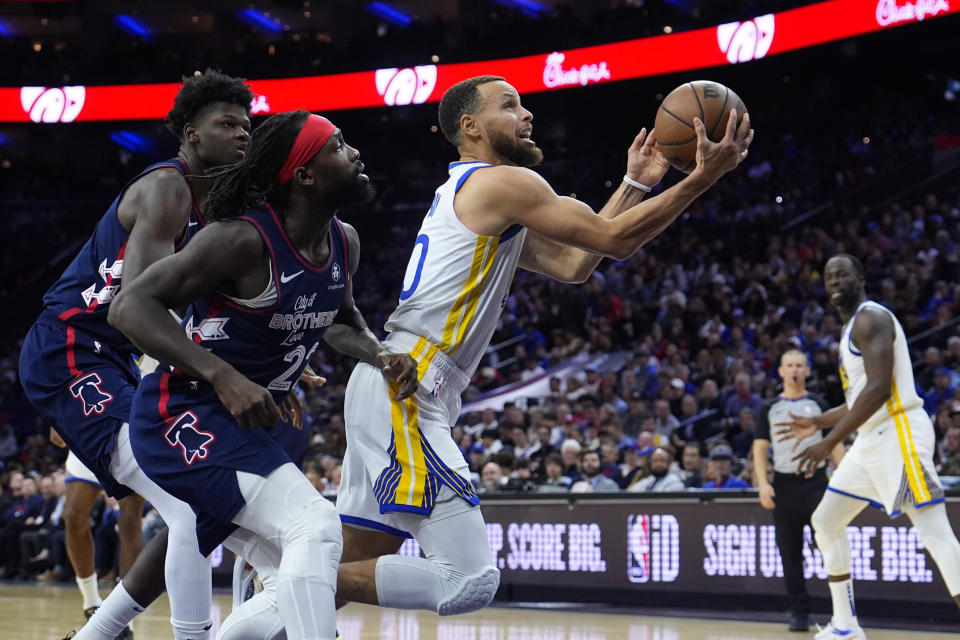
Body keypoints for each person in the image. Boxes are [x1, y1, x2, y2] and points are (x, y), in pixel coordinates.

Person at [333, 74, 752, 618]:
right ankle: (288, 569)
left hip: (392, 381)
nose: (527, 113)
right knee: (468, 580)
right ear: (471, 126)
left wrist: (634, 183)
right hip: (409, 385)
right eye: (510, 105)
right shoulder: (503, 182)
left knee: (355, 565)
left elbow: (574, 265)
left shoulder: (474, 194)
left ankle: (270, 600)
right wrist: (703, 176)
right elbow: (615, 241)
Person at [106, 110, 417, 640]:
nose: (357, 153)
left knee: (295, 575)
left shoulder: (345, 242)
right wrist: (224, 376)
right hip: (183, 413)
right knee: (315, 528)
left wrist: (377, 351)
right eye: (340, 146)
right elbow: (128, 307)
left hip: (254, 425)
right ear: (304, 176)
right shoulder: (239, 240)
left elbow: (339, 319)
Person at [18, 69, 254, 640]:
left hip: (117, 362)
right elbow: (139, 305)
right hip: (73, 350)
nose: (243, 133)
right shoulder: (166, 188)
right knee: (190, 503)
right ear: (190, 134)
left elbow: (199, 308)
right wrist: (223, 372)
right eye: (227, 123)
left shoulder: (216, 209)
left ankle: (104, 631)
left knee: (221, 499)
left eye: (248, 124)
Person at [777, 254, 960, 640]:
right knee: (825, 522)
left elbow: (878, 391)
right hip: (870, 440)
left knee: (935, 535)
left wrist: (828, 442)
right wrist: (817, 422)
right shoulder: (849, 331)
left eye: (842, 273)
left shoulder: (869, 318)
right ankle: (845, 625)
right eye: (828, 276)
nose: (834, 280)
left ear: (861, 277)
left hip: (899, 433)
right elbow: (858, 399)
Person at [753, 349, 844, 632]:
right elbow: (759, 448)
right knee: (790, 553)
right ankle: (799, 612)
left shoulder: (818, 404)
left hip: (816, 483)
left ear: (807, 371)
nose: (794, 370)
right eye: (789, 365)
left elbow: (836, 441)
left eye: (799, 365)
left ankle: (841, 612)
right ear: (780, 371)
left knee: (829, 545)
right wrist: (763, 483)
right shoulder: (769, 408)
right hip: (784, 485)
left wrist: (842, 476)